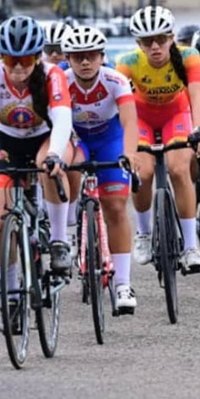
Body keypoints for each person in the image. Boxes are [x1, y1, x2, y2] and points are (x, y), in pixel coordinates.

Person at [0, 15, 75, 330]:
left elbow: (63, 118)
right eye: (11, 60)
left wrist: (55, 154)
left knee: (47, 167)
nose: (19, 68)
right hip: (6, 141)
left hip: (45, 137)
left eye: (26, 60)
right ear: (1, 56)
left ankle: (58, 241)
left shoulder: (52, 75)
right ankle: (10, 293)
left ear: (37, 56)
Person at [116, 5, 200, 273]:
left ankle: (191, 246)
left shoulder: (189, 56)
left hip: (175, 114)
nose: (155, 46)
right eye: (147, 41)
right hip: (141, 118)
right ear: (138, 44)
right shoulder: (127, 62)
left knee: (179, 169)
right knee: (142, 172)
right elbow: (119, 104)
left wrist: (199, 130)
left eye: (161, 39)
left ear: (171, 37)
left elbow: (197, 96)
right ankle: (143, 233)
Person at [62, 25, 140, 313]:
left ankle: (123, 284)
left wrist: (130, 153)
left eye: (92, 55)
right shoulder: (60, 81)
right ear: (68, 59)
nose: (85, 62)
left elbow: (130, 122)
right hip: (76, 137)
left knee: (116, 207)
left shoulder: (115, 80)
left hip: (110, 139)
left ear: (102, 57)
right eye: (78, 57)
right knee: (69, 165)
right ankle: (68, 227)